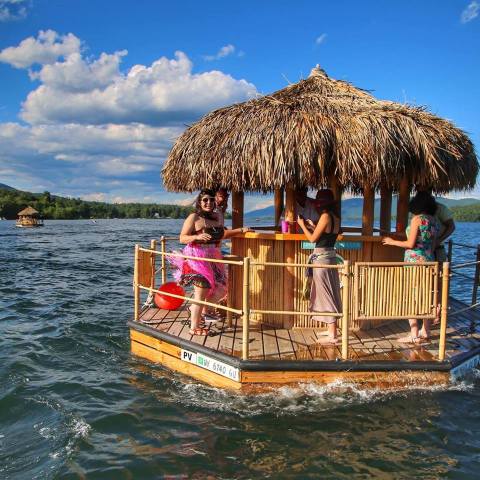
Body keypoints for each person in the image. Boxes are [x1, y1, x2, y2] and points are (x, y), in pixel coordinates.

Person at [382, 191, 439, 343]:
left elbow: (410, 244)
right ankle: (425, 331)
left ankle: (414, 333)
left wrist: (391, 241)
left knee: (410, 296)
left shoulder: (417, 220)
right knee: (426, 295)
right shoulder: (433, 220)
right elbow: (433, 245)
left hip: (414, 261)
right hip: (429, 260)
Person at [297, 189, 342, 344]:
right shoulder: (335, 217)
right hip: (330, 257)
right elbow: (326, 236)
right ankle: (331, 330)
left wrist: (302, 225)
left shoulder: (324, 216)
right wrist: (312, 225)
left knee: (326, 294)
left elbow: (312, 239)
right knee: (331, 292)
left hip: (321, 260)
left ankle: (333, 335)